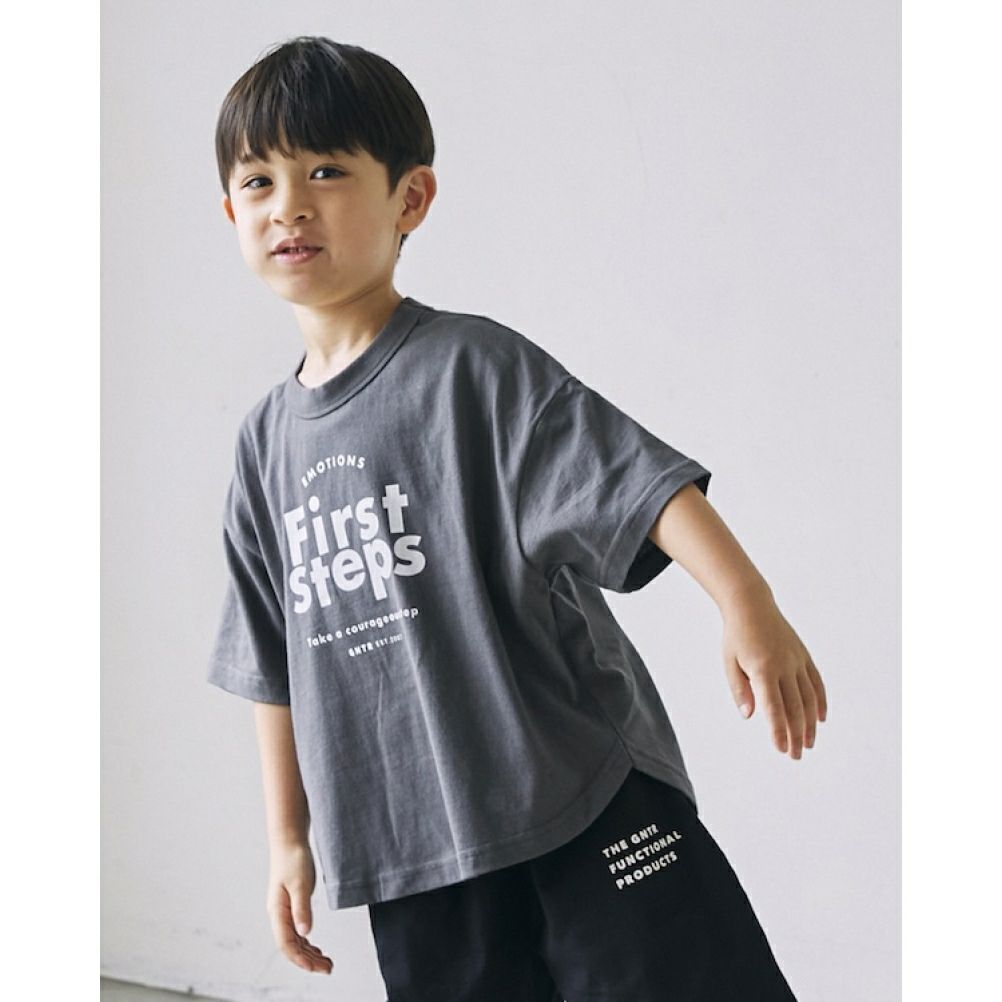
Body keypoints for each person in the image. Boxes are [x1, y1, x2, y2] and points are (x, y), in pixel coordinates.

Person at [206, 34, 826, 1001]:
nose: (289, 203)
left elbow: (637, 481)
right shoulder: (261, 448)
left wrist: (748, 601)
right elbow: (270, 664)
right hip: (417, 857)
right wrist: (289, 839)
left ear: (410, 197)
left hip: (583, 800)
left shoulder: (473, 370)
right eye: (258, 181)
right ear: (232, 213)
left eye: (325, 171)